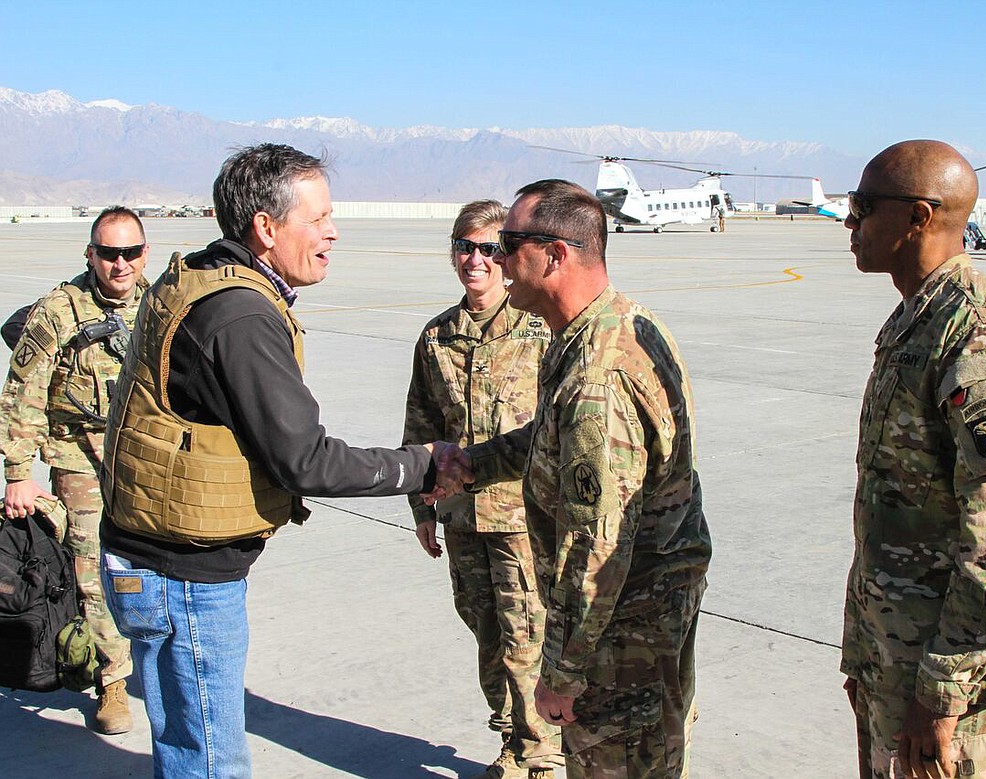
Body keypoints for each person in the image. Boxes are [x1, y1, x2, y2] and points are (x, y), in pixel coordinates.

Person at [98, 144, 448, 778]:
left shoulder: (201, 276)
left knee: (186, 745)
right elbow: (306, 462)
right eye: (317, 220)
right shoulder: (240, 313)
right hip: (184, 576)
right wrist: (423, 465)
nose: (332, 233)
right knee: (209, 761)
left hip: (152, 560)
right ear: (265, 227)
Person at [448, 180, 712, 778]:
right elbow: (553, 438)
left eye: (508, 245)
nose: (493, 260)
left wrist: (562, 671)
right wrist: (472, 463)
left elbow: (597, 544)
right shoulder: (608, 327)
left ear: (556, 254)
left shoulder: (597, 375)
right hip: (638, 621)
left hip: (621, 639)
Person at [840, 140, 986, 778]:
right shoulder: (917, 320)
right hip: (900, 664)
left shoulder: (980, 337)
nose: (850, 222)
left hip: (956, 693)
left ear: (918, 217)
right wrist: (868, 653)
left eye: (863, 206)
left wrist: (944, 689)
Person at [402, 200, 560, 779]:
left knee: (528, 634)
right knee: (485, 629)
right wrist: (420, 503)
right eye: (464, 248)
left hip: (525, 515)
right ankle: (512, 737)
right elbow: (421, 423)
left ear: (508, 256)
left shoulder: (540, 328)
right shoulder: (438, 336)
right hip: (462, 516)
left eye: (489, 249)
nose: (476, 260)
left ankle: (541, 752)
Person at [0, 206, 150, 734]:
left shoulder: (156, 305)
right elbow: (24, 391)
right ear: (91, 254)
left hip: (142, 460)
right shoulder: (59, 311)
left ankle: (149, 665)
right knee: (91, 568)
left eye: (130, 253)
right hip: (77, 457)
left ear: (143, 254)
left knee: (146, 566)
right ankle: (112, 678)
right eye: (109, 253)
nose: (120, 264)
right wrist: (18, 471)